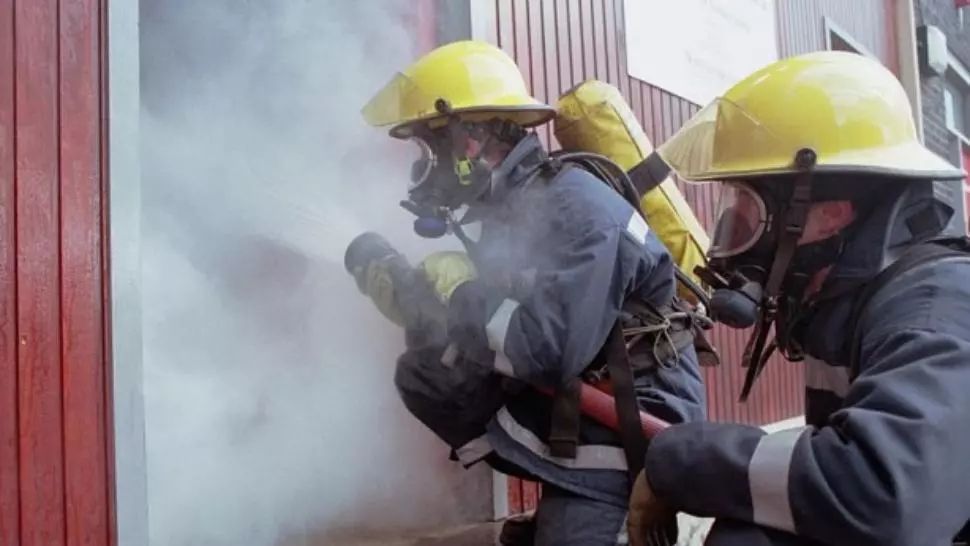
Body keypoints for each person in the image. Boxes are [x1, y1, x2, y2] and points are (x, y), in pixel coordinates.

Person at [352, 40, 707, 545]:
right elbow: (496, 321)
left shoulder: (579, 209)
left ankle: (598, 503)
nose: (423, 169)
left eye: (429, 150)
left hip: (634, 424)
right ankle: (563, 491)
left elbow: (545, 349)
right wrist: (418, 303)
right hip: (583, 399)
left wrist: (461, 290)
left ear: (470, 140)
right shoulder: (515, 206)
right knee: (428, 370)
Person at [626, 50, 970, 546]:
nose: (734, 236)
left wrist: (684, 462)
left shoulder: (936, 312)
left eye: (748, 210)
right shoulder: (844, 304)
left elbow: (879, 493)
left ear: (830, 215)